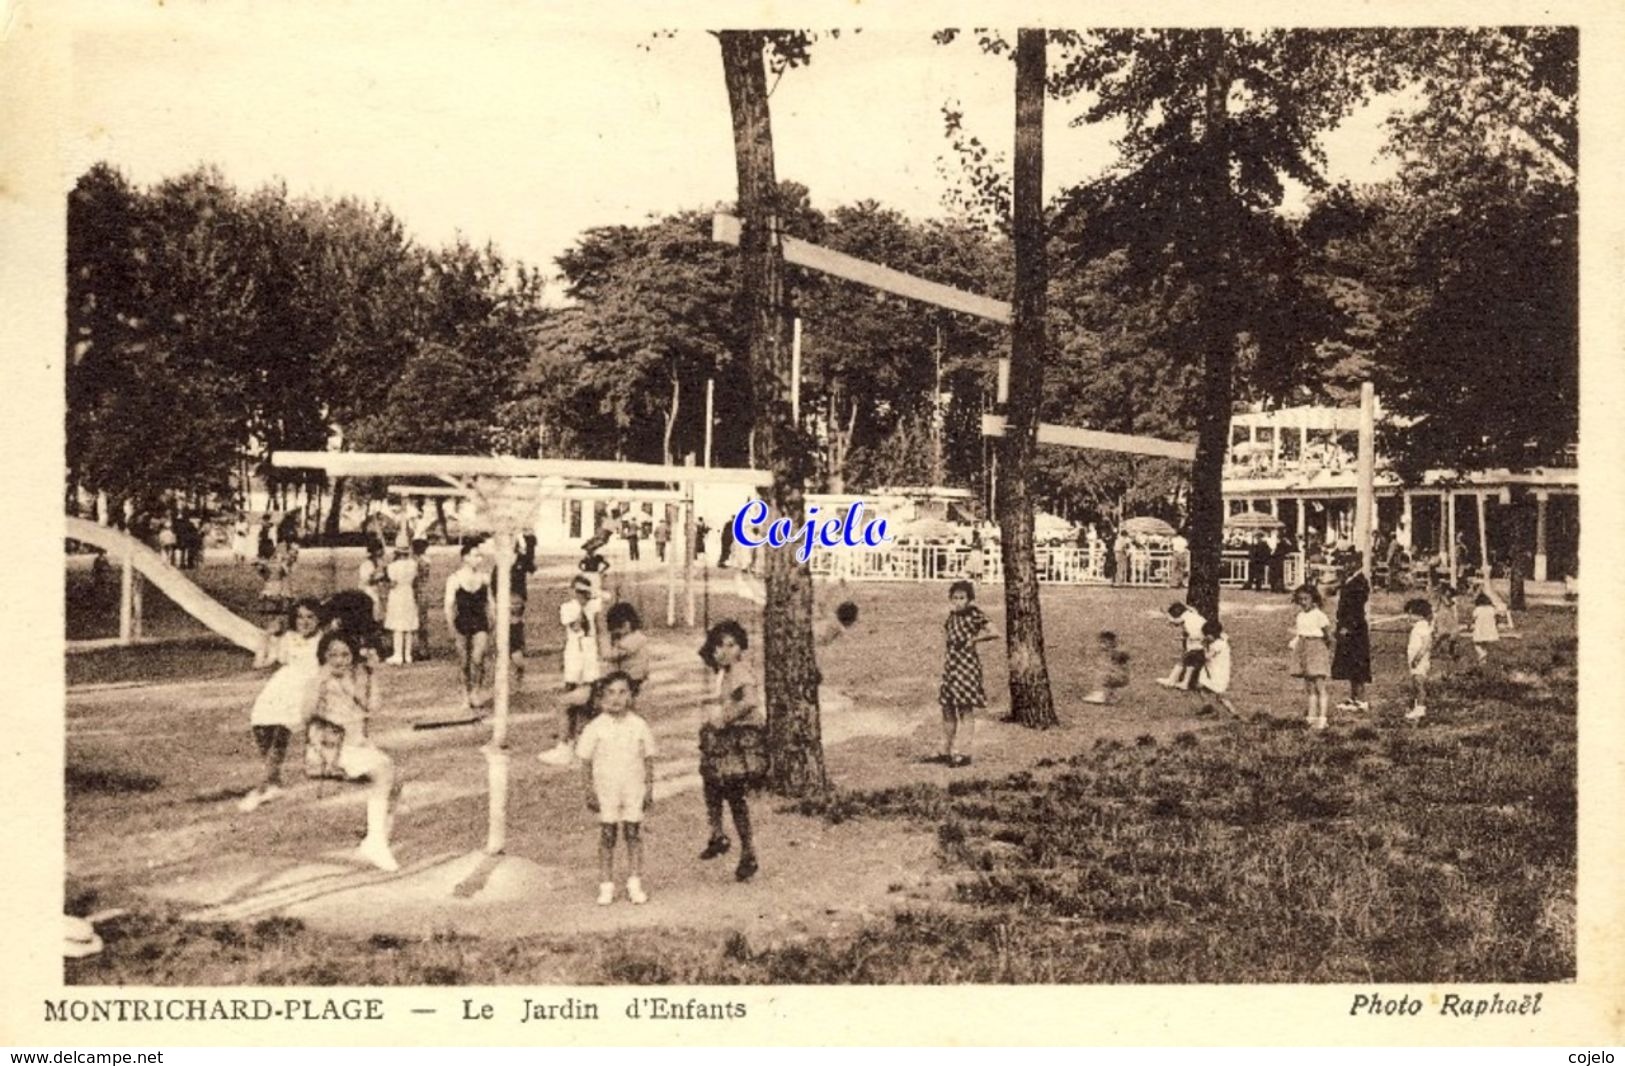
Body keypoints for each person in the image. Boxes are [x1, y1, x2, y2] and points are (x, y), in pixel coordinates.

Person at [303, 631, 402, 872]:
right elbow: (305, 715)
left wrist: (371, 674)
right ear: (323, 656)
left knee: (397, 780)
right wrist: (319, 683)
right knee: (384, 773)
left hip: (359, 745)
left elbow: (372, 707)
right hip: (334, 748)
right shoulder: (317, 681)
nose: (339, 660)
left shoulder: (354, 679)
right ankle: (376, 844)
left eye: (345, 654)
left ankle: (375, 837)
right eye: (332, 655)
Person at [576, 672, 657, 906]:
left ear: (631, 696)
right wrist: (588, 789)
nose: (616, 698)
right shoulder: (595, 727)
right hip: (606, 789)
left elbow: (648, 758)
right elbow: (586, 761)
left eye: (622, 692)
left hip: (632, 787)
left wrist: (649, 787)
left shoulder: (639, 725)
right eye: (610, 693)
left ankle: (634, 883)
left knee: (633, 832)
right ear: (601, 697)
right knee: (607, 834)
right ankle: (606, 885)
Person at [239, 598, 324, 813]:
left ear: (318, 619)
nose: (304, 622)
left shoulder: (324, 640)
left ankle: (263, 787)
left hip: (305, 688)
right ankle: (273, 782)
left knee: (280, 731)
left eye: (310, 617)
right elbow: (260, 664)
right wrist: (267, 636)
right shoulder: (288, 638)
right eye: (300, 617)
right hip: (281, 685)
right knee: (260, 723)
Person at [697, 620, 763, 882]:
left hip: (741, 739)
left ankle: (748, 851)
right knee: (711, 783)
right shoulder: (725, 672)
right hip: (728, 738)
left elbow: (749, 700)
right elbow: (731, 698)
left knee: (734, 795)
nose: (725, 650)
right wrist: (711, 704)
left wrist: (724, 718)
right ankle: (717, 835)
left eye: (731, 644)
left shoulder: (739, 668)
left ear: (740, 647)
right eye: (719, 646)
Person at [938, 580, 995, 767]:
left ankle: (964, 752)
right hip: (952, 665)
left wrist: (975, 639)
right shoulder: (952, 617)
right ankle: (944, 751)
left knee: (965, 709)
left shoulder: (975, 614)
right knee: (947, 708)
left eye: (962, 597)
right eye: (955, 597)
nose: (958, 601)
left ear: (969, 599)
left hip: (967, 666)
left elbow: (994, 632)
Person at [443, 542, 493, 712]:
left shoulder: (484, 578)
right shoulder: (454, 579)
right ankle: (465, 693)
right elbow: (449, 605)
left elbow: (490, 601)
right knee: (463, 661)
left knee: (478, 658)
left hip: (480, 621)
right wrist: (450, 626)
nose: (479, 559)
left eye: (480, 556)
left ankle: (476, 691)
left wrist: (493, 618)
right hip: (462, 621)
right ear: (465, 558)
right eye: (475, 555)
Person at [1289, 585, 1334, 730]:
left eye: (1306, 599)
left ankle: (1322, 718)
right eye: (1300, 599)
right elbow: (1300, 634)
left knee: (1320, 685)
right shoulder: (1300, 616)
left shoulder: (1319, 615)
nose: (1303, 602)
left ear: (1313, 599)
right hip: (1304, 650)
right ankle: (1312, 716)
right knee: (1309, 686)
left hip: (1317, 649)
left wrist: (1326, 650)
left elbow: (1328, 635)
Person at [1331, 559, 1372, 714]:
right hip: (1348, 626)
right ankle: (1353, 697)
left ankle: (1361, 699)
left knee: (1358, 663)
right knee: (1350, 664)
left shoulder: (1359, 583)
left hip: (1354, 629)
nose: (1347, 564)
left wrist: (1347, 626)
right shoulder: (1350, 581)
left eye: (1350, 562)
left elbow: (1356, 609)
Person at [1192, 619, 1240, 719]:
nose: (1205, 637)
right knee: (1200, 686)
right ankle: (1208, 707)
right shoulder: (1222, 640)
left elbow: (1207, 656)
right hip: (1213, 669)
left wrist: (1204, 647)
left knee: (1220, 696)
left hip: (1217, 672)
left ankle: (1234, 713)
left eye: (1207, 635)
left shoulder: (1217, 645)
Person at [603, 601, 651, 696]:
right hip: (627, 676)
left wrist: (608, 655)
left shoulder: (636, 637)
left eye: (617, 630)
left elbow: (620, 653)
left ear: (626, 625)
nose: (616, 633)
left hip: (634, 677)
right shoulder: (628, 637)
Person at [1157, 602, 1207, 690]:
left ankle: (1174, 681)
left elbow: (1195, 636)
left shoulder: (1187, 620)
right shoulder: (1192, 615)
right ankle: (1181, 681)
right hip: (1202, 645)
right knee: (1188, 661)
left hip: (1198, 645)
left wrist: (1166, 615)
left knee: (1185, 660)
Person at [383, 546, 419, 665]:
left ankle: (398, 655)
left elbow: (393, 583)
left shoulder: (392, 566)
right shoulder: (413, 564)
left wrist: (387, 566)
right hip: (408, 593)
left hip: (397, 595)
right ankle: (408, 655)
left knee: (398, 625)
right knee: (408, 625)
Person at [1404, 598, 1435, 721]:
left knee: (1419, 684)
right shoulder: (1419, 625)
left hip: (1420, 661)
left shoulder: (1422, 626)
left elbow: (1427, 643)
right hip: (1416, 661)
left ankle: (1421, 709)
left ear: (1420, 615)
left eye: (1411, 614)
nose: (1409, 617)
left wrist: (1418, 657)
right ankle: (1417, 707)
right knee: (1416, 684)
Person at [1081, 630, 1131, 705]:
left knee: (1099, 673)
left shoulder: (1114, 652)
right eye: (1100, 642)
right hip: (1122, 676)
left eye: (1103, 642)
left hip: (1118, 675)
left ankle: (1100, 694)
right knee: (1103, 672)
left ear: (1110, 643)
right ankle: (1111, 696)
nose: (1101, 645)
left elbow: (1122, 658)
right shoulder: (1112, 652)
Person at [410, 539, 434, 660]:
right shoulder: (426, 560)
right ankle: (423, 648)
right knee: (422, 621)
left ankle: (420, 648)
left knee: (416, 621)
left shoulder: (416, 561)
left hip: (417, 591)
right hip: (424, 591)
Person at [358, 543, 390, 628]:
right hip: (367, 590)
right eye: (380, 550)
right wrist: (381, 577)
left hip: (377, 589)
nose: (382, 551)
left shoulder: (380, 562)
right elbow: (368, 581)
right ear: (375, 551)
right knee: (375, 603)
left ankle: (380, 623)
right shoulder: (366, 564)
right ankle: (373, 623)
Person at [1432, 584, 1460, 662]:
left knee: (1453, 633)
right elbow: (1447, 603)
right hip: (1443, 616)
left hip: (1448, 616)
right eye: (1448, 592)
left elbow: (1450, 604)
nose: (1449, 594)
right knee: (1443, 633)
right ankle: (1435, 648)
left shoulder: (1448, 598)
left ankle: (1451, 650)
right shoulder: (1442, 597)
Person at [1471, 591, 1499, 665]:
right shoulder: (1491, 609)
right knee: (1485, 644)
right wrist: (1496, 624)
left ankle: (1482, 654)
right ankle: (1483, 661)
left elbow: (1473, 618)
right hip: (1489, 629)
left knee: (1476, 643)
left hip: (1480, 629)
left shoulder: (1478, 609)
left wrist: (1469, 625)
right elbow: (1496, 617)